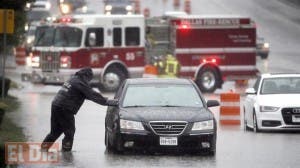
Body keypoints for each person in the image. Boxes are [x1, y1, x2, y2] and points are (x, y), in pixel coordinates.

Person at [41, 67, 117, 152]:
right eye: (89, 79)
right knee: (70, 131)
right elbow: (92, 94)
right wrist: (107, 101)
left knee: (55, 131)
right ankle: (66, 152)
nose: (89, 81)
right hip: (65, 108)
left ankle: (43, 149)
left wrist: (101, 100)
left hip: (56, 105)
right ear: (86, 76)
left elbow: (84, 94)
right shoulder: (80, 83)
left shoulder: (73, 79)